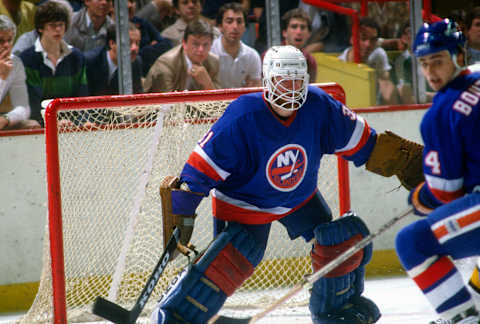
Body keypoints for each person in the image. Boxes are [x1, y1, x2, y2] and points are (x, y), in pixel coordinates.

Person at [149, 45, 425, 324]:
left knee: (341, 239)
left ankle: (334, 311)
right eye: (283, 80)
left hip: (299, 198)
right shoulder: (243, 115)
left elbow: (367, 145)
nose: (291, 88)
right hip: (244, 203)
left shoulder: (319, 106)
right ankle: (176, 314)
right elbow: (198, 172)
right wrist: (182, 214)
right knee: (232, 259)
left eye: (297, 80)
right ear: (267, 80)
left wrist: (414, 166)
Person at [395, 19, 480, 324]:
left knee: (412, 242)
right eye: (424, 63)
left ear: (459, 55)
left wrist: (419, 198)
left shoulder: (441, 112)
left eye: (438, 61)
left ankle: (462, 318)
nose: (430, 72)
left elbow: (445, 192)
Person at [20, 0, 88, 127]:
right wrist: (52, 122)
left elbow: (82, 98)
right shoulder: (27, 59)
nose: (58, 30)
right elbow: (33, 102)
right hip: (40, 126)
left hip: (72, 126)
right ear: (40, 28)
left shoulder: (77, 57)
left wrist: (80, 123)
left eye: (61, 25)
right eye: (52, 25)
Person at [144, 19, 220, 92]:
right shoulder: (166, 64)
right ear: (184, 43)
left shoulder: (213, 62)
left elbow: (220, 101)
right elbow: (167, 101)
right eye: (196, 44)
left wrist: (207, 84)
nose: (201, 49)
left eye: (205, 45)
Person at [338, 17, 399, 106]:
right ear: (352, 38)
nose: (368, 44)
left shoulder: (378, 55)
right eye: (363, 38)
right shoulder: (339, 64)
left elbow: (386, 85)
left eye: (373, 40)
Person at [210, 2, 261, 89]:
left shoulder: (252, 56)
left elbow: (256, 87)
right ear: (220, 27)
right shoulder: (210, 51)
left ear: (245, 27)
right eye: (229, 21)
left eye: (239, 22)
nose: (235, 26)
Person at [0, 15, 38, 130]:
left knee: (32, 124)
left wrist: (7, 119)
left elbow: (24, 107)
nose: (6, 45)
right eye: (0, 41)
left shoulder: (15, 63)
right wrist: (2, 78)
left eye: (10, 40)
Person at [84, 23, 143, 96]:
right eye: (129, 42)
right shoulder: (90, 61)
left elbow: (137, 97)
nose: (134, 48)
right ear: (112, 43)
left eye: (137, 43)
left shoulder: (136, 62)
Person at [280, 7, 317, 82]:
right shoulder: (270, 57)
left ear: (309, 34)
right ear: (284, 32)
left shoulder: (310, 61)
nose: (299, 32)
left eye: (303, 27)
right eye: (294, 27)